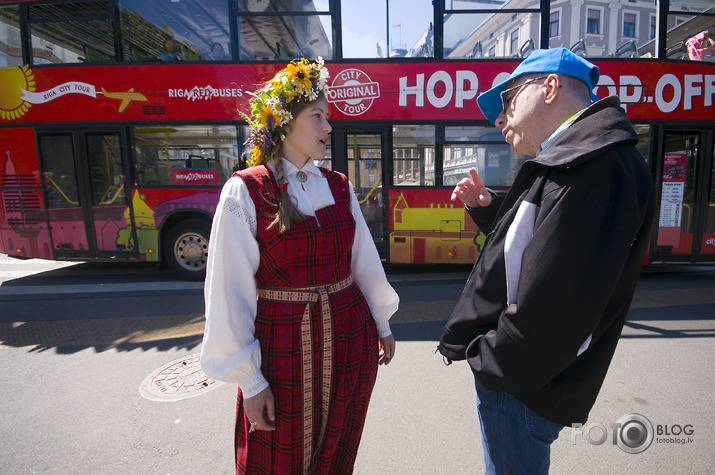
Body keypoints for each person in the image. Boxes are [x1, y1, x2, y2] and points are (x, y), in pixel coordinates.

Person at [438, 48, 656, 474]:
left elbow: (558, 303)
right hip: (524, 379)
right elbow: (539, 244)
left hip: (521, 385)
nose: (500, 119)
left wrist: (491, 359)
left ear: (550, 87)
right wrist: (488, 208)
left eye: (508, 101)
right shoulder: (579, 157)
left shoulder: (595, 165)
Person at [200, 57, 399, 474]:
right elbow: (229, 292)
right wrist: (251, 383)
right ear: (285, 122)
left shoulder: (338, 185)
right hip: (285, 350)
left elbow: (363, 261)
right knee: (279, 458)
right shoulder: (246, 191)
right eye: (317, 116)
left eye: (327, 117)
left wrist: (382, 323)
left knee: (339, 447)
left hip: (350, 341)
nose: (328, 127)